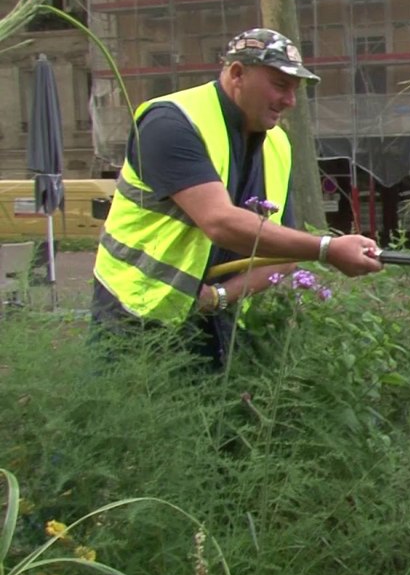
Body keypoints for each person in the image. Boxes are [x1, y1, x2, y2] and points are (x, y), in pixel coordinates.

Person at [91, 27, 383, 368]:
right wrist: (326, 249)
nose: (290, 101)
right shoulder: (171, 121)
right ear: (237, 73)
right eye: (280, 85)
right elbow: (219, 222)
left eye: (295, 90)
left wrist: (219, 298)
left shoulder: (278, 144)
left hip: (214, 319)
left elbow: (281, 257)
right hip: (135, 313)